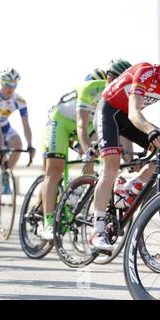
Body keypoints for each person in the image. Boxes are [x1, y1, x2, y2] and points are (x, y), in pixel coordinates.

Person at [39, 61, 131, 240]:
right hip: (62, 121)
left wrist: (128, 159)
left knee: (104, 156)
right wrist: (87, 149)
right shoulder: (91, 87)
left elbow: (123, 132)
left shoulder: (120, 96)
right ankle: (48, 224)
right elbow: (81, 124)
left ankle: (81, 192)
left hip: (90, 122)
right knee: (55, 170)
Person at [90, 62, 160, 251]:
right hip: (109, 112)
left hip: (128, 117)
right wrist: (151, 131)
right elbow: (135, 112)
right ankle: (97, 231)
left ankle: (132, 185)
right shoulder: (147, 72)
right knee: (111, 167)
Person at [0, 68, 36, 193]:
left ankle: (6, 173)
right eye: (7, 84)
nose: (11, 88)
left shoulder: (19, 100)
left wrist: (30, 145)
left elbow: (26, 124)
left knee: (18, 143)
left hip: (5, 127)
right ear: (1, 83)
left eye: (14, 85)